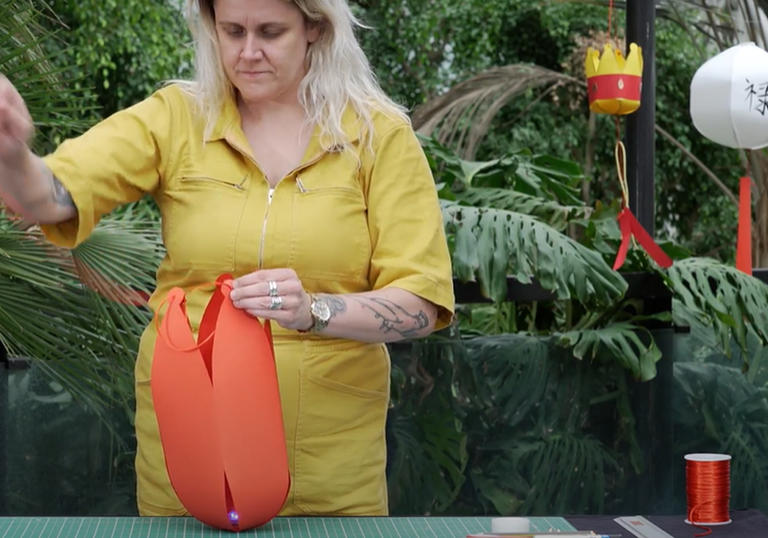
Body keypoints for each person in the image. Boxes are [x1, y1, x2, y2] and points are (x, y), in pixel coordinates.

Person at [0, 0, 454, 517]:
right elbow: (48, 199)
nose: (248, 52)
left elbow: (420, 302)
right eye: (232, 31)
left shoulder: (379, 136)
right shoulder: (175, 117)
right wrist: (13, 153)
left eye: (270, 32)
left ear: (314, 27)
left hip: (330, 484)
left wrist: (316, 311)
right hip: (187, 477)